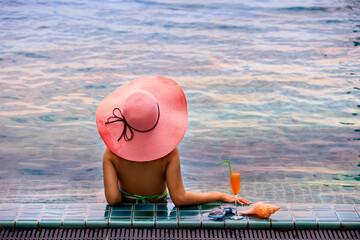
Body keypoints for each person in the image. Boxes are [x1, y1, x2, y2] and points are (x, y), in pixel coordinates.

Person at [96, 76, 252, 207]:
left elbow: (113, 199)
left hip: (127, 217)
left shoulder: (111, 152)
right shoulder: (169, 152)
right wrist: (219, 196)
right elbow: (179, 198)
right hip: (159, 211)